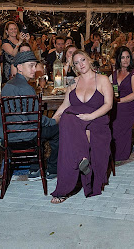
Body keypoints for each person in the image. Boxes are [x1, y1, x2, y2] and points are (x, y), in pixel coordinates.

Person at [50, 50, 113, 203]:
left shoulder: (103, 79)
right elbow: (65, 105)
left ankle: (63, 190)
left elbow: (109, 104)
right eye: (76, 63)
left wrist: (90, 116)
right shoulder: (73, 83)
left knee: (68, 133)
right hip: (76, 123)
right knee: (66, 118)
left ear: (90, 60)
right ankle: (81, 158)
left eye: (83, 60)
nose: (80, 65)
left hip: (96, 121)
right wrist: (52, 120)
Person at [0, 51, 59, 180]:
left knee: (40, 129)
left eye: (35, 65)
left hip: (7, 136)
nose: (34, 69)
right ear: (19, 67)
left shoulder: (7, 86)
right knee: (58, 130)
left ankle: (35, 167)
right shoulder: (26, 88)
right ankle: (53, 169)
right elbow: (36, 118)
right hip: (25, 137)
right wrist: (54, 121)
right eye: (31, 65)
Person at [110, 47, 134, 161]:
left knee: (117, 120)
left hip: (129, 105)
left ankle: (120, 154)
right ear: (118, 59)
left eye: (128, 57)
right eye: (123, 57)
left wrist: (119, 101)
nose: (126, 60)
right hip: (117, 103)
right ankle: (107, 150)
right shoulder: (115, 72)